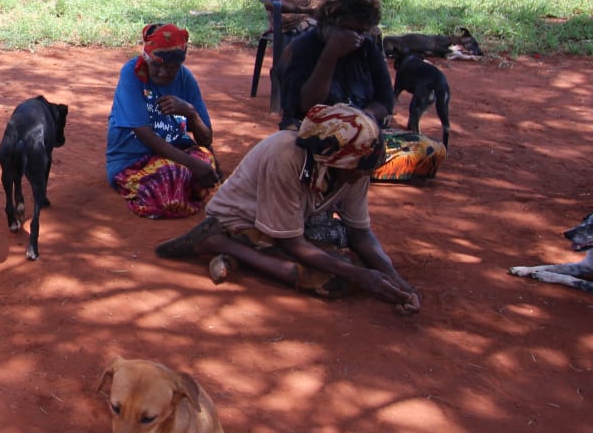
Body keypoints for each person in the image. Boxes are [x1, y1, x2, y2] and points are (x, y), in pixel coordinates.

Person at [155, 104, 421, 315]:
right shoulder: (286, 155)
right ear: (336, 159)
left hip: (291, 219)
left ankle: (237, 256)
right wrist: (362, 276)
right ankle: (221, 243)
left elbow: (359, 232)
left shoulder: (355, 166)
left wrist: (397, 281)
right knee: (334, 279)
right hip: (241, 219)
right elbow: (293, 242)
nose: (364, 176)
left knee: (348, 249)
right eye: (359, 170)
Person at [277, 0, 445, 182]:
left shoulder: (366, 48)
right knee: (290, 149)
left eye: (362, 32)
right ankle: (342, 170)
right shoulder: (301, 48)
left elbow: (385, 100)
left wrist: (362, 120)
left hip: (361, 136)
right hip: (315, 136)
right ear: (329, 23)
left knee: (431, 150)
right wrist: (330, 55)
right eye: (349, 30)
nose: (356, 37)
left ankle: (350, 169)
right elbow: (306, 106)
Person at [105, 23, 220, 219]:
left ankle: (187, 187)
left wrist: (191, 113)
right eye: (156, 66)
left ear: (180, 65)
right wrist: (193, 165)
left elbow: (206, 139)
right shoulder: (132, 73)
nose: (163, 73)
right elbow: (144, 134)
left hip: (176, 154)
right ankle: (189, 190)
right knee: (173, 176)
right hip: (133, 160)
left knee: (205, 158)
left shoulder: (186, 79)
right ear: (147, 58)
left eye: (171, 68)